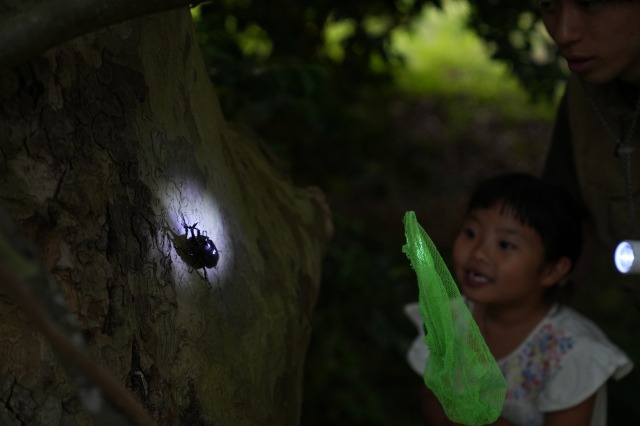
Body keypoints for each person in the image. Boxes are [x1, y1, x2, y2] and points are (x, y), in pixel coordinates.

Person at [405, 173, 633, 425]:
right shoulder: (450, 322)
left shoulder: (571, 352)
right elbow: (432, 401)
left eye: (505, 245)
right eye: (470, 233)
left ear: (552, 271)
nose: (479, 252)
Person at [540, 1, 640, 278]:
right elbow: (561, 230)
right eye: (548, 5)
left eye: (592, 3)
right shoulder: (584, 97)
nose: (563, 33)